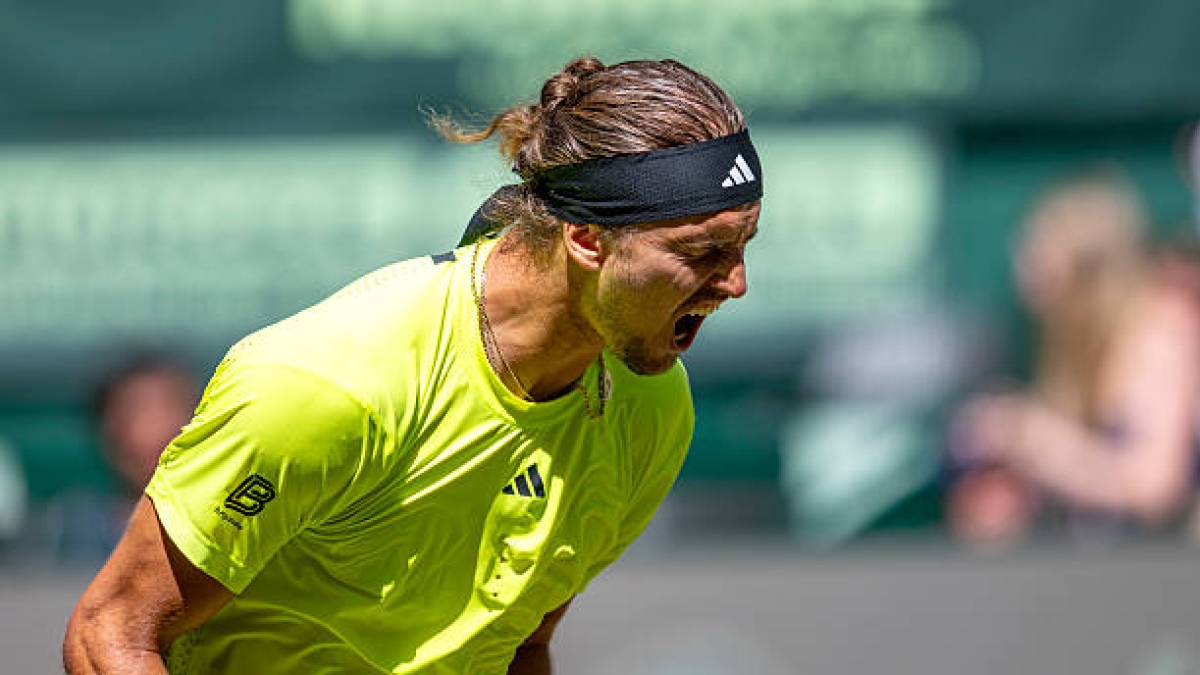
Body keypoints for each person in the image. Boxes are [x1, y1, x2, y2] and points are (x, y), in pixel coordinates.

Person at [63, 56, 763, 674]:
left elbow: (521, 645)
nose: (735, 283)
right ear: (585, 239)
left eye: (744, 244)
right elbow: (111, 633)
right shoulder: (327, 383)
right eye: (703, 251)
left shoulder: (652, 408)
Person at [948, 170, 1200, 549]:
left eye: (1038, 247)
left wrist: (1033, 438)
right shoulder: (1074, 345)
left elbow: (1155, 487)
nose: (1024, 266)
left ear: (1085, 258)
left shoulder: (1155, 331)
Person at [42, 352, 199, 562]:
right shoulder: (68, 530)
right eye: (136, 410)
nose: (157, 432)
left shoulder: (237, 527)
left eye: (172, 407)